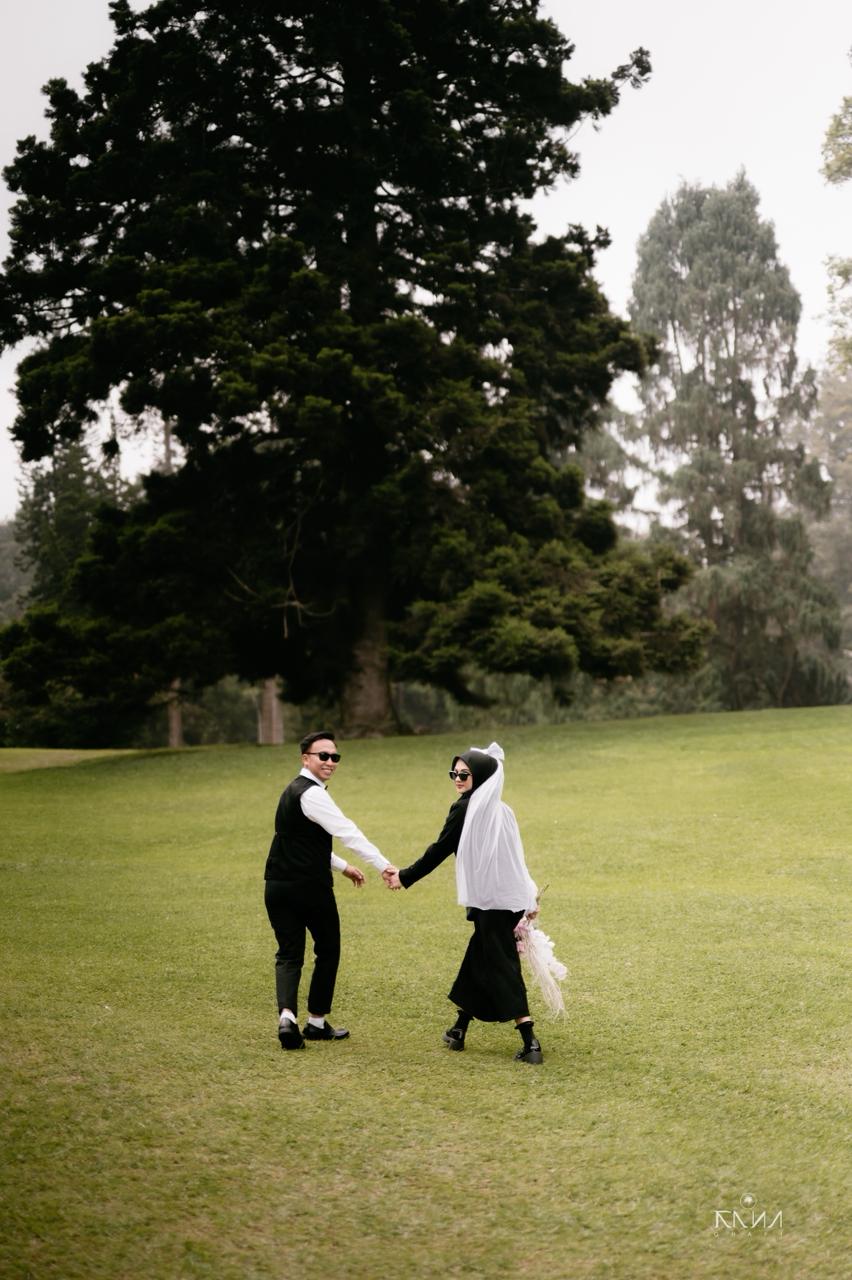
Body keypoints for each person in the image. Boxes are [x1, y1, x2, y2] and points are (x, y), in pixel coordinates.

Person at [387, 742, 543, 1064]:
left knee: (502, 965)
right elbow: (518, 859)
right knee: (479, 958)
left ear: (481, 776)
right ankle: (459, 1028)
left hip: (491, 902)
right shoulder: (503, 809)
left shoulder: (465, 809)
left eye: (464, 774)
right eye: (454, 774)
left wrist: (405, 876)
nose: (457, 780)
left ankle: (530, 1042)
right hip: (508, 899)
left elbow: (439, 849)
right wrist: (528, 894)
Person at [264, 731, 397, 1051]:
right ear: (305, 758)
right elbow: (347, 832)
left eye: (335, 757)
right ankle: (316, 1022)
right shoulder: (313, 794)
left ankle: (287, 1018)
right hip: (310, 888)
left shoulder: (291, 791)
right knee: (328, 949)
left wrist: (342, 866)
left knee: (288, 953)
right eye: (322, 756)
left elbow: (302, 842)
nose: (330, 762)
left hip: (276, 886)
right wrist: (383, 865)